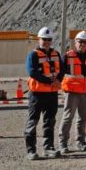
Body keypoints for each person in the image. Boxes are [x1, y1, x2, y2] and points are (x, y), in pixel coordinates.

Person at [25, 27, 64, 160]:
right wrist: (49, 81)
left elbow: (62, 70)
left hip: (52, 94)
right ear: (39, 39)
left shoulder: (56, 54)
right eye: (44, 39)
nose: (46, 41)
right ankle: (31, 151)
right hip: (37, 94)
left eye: (49, 39)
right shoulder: (33, 55)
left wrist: (58, 80)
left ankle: (48, 148)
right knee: (33, 121)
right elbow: (32, 72)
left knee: (50, 121)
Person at [58, 30, 86, 153]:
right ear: (75, 42)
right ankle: (63, 143)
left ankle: (80, 142)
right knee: (68, 117)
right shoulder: (67, 56)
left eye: (85, 42)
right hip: (72, 92)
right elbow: (60, 74)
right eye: (80, 42)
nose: (82, 44)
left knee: (83, 118)